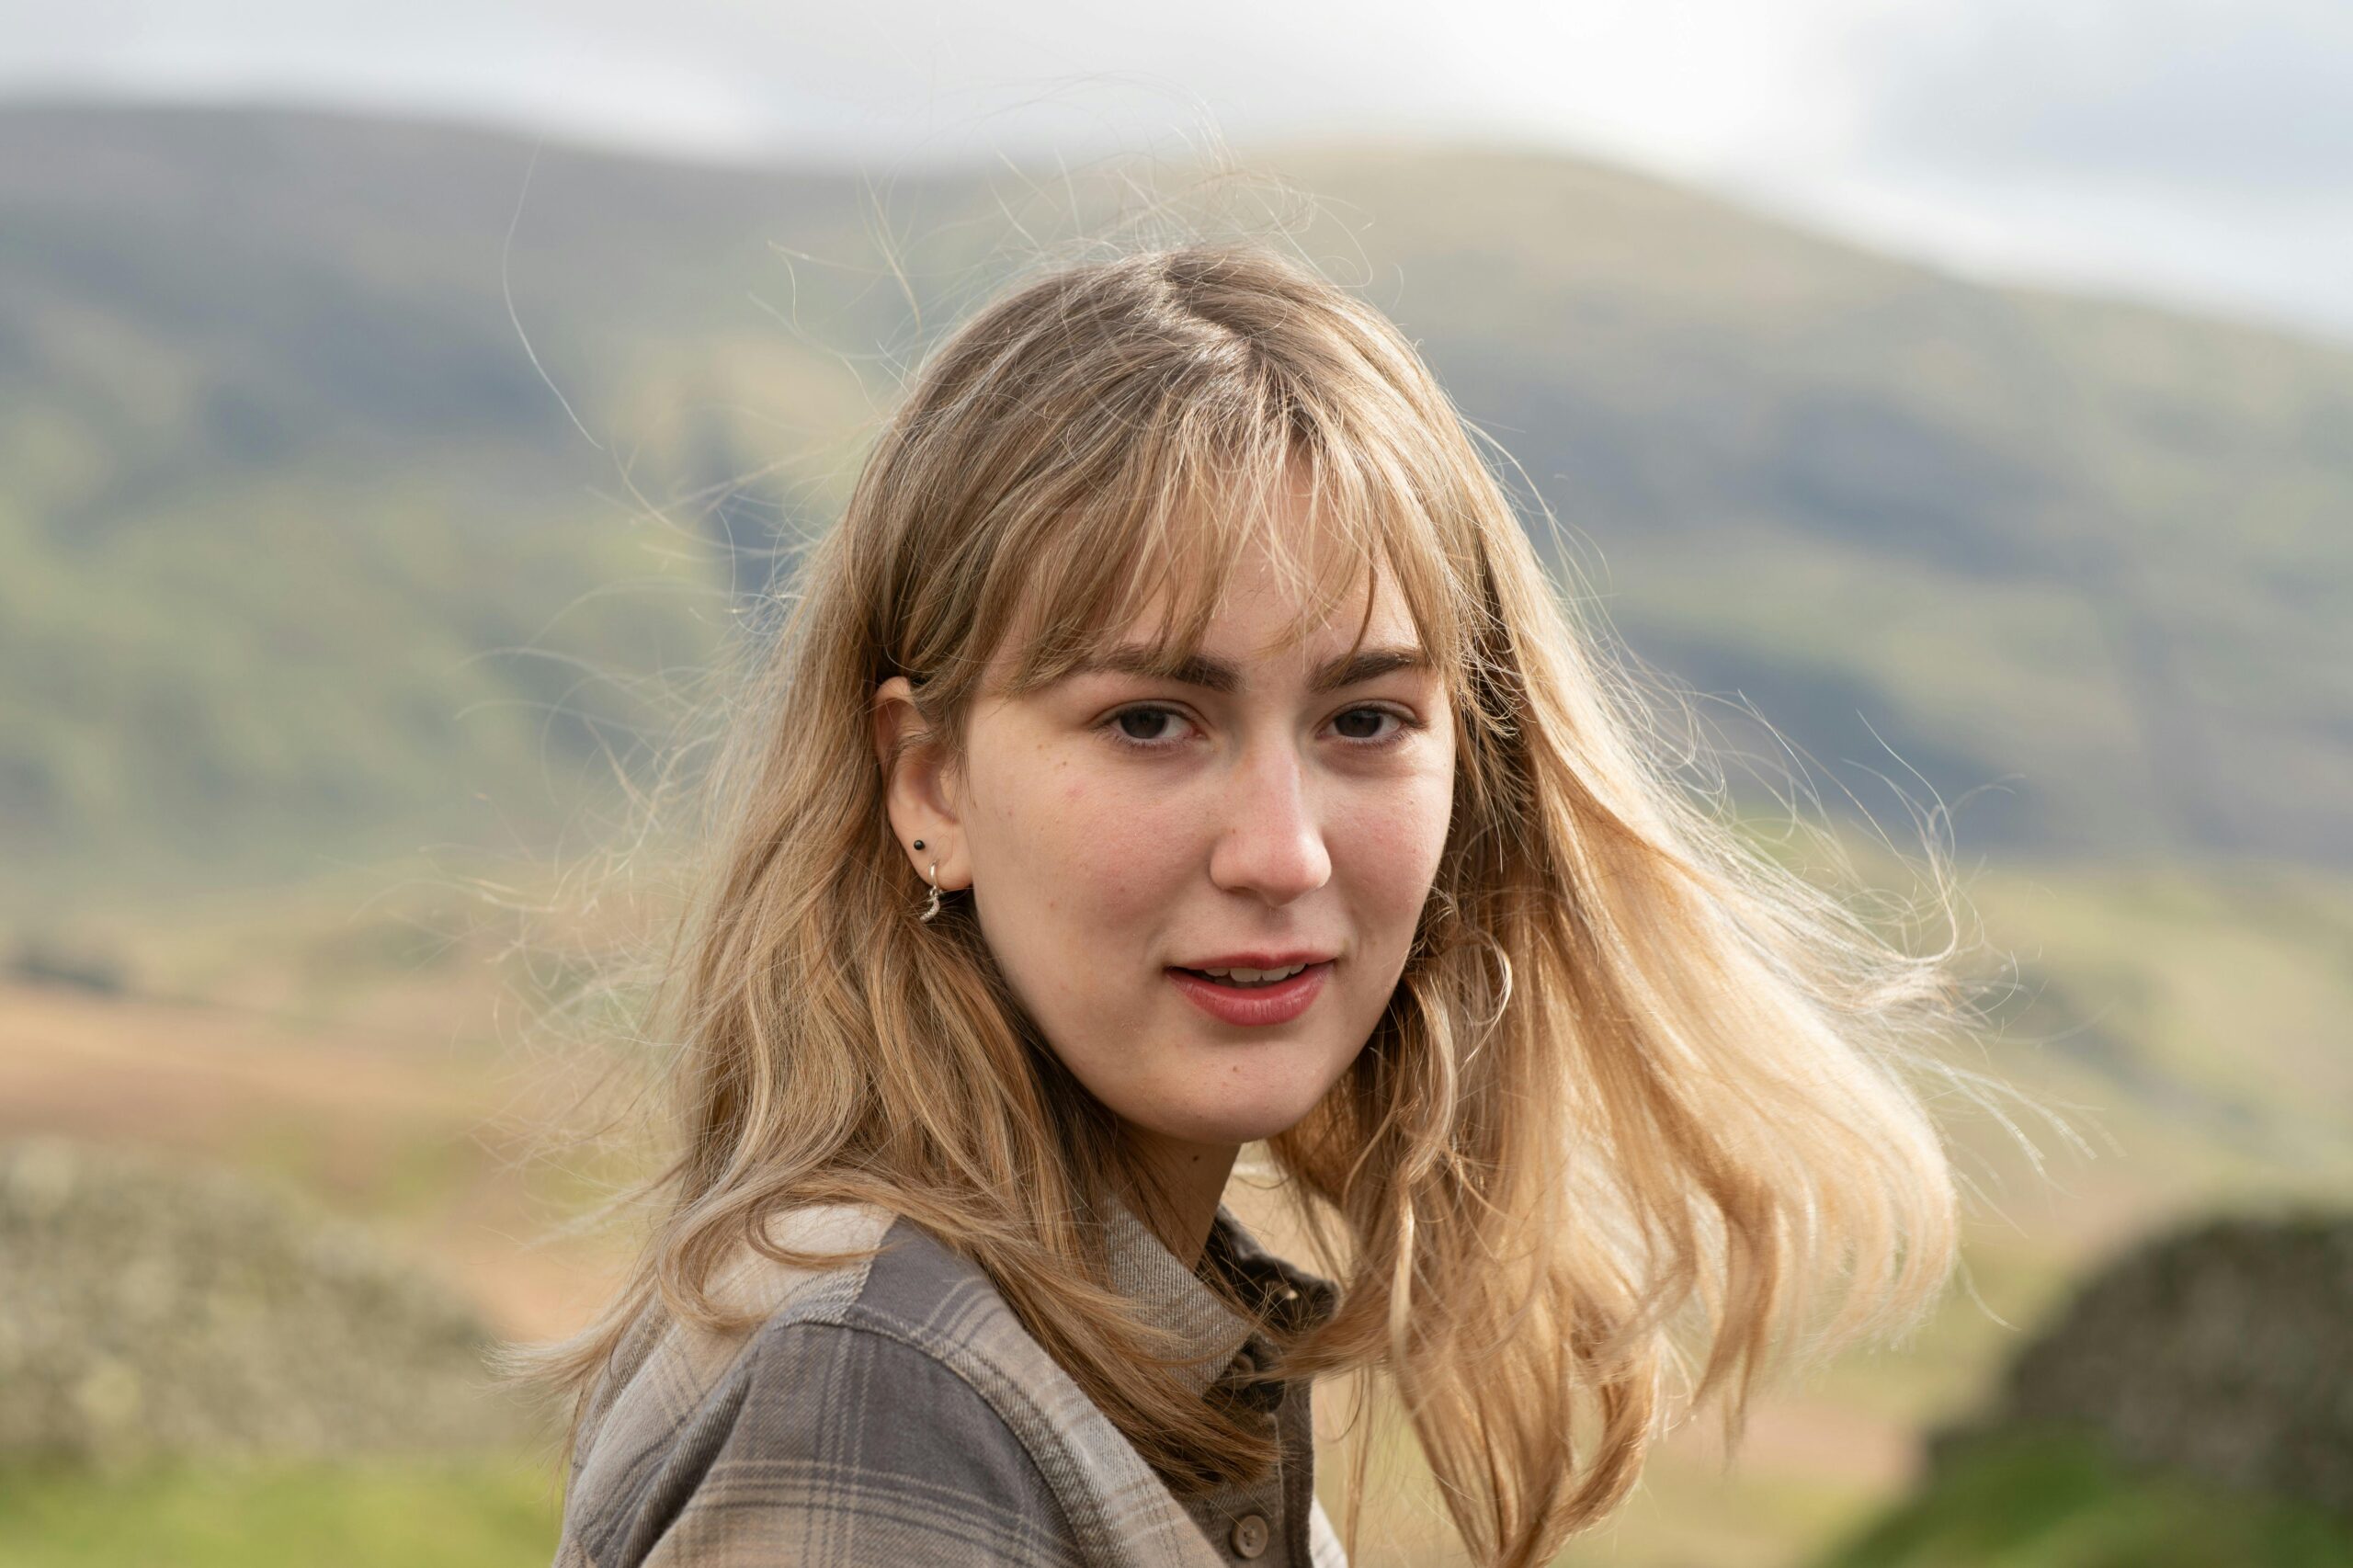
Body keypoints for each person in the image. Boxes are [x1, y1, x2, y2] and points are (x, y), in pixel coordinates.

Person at [503, 239, 1987, 1568]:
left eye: (1366, 718)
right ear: (930, 784)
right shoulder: (879, 1389)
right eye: (1153, 719)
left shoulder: (1096, 1337)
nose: (1284, 853)